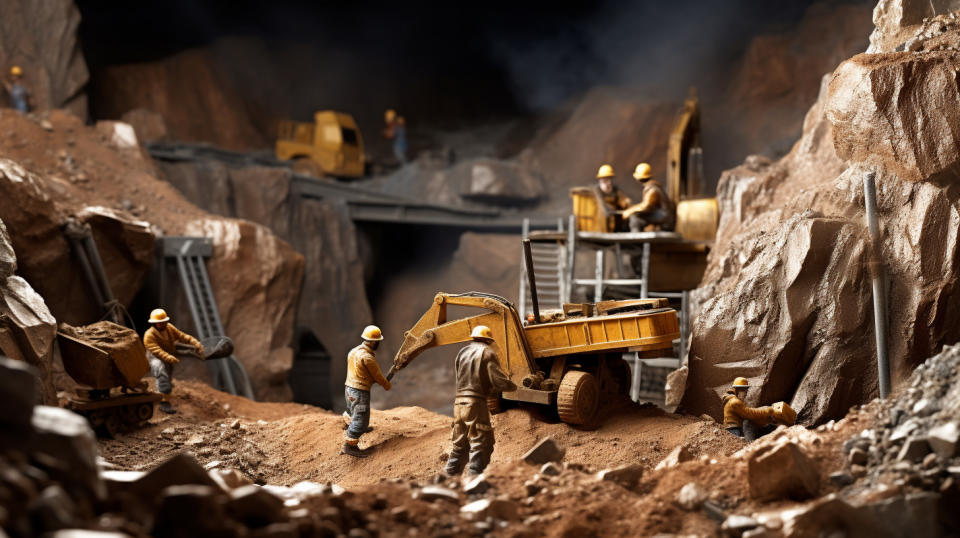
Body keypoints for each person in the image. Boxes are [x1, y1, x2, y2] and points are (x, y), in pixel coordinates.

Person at [444, 325, 518, 476]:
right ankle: (475, 482)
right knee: (481, 443)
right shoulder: (487, 352)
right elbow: (498, 380)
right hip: (475, 404)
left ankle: (446, 480)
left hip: (459, 403)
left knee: (460, 444)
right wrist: (512, 385)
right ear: (488, 339)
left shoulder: (462, 352)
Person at [343, 325, 391, 458]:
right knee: (361, 419)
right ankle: (350, 445)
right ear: (374, 342)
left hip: (349, 388)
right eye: (378, 342)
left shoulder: (353, 351)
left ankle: (353, 425)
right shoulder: (368, 358)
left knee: (353, 410)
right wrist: (386, 385)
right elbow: (377, 376)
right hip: (359, 392)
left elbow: (359, 371)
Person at [143, 308, 204, 414]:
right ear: (154, 323)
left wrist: (194, 342)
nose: (162, 324)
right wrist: (168, 357)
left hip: (168, 355)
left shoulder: (169, 328)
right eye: (159, 323)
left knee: (168, 373)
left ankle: (167, 388)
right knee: (161, 372)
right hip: (155, 357)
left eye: (163, 322)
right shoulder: (149, 335)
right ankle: (164, 402)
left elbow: (182, 336)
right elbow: (156, 350)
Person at [625, 162, 675, 232]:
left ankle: (636, 241)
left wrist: (630, 211)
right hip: (663, 214)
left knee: (635, 219)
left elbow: (646, 206)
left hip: (664, 216)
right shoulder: (651, 187)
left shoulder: (652, 189)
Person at [594, 164, 632, 231]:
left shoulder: (615, 190)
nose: (608, 183)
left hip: (616, 224)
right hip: (601, 224)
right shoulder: (597, 192)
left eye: (609, 180)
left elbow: (623, 200)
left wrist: (627, 203)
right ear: (600, 181)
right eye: (605, 181)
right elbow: (603, 208)